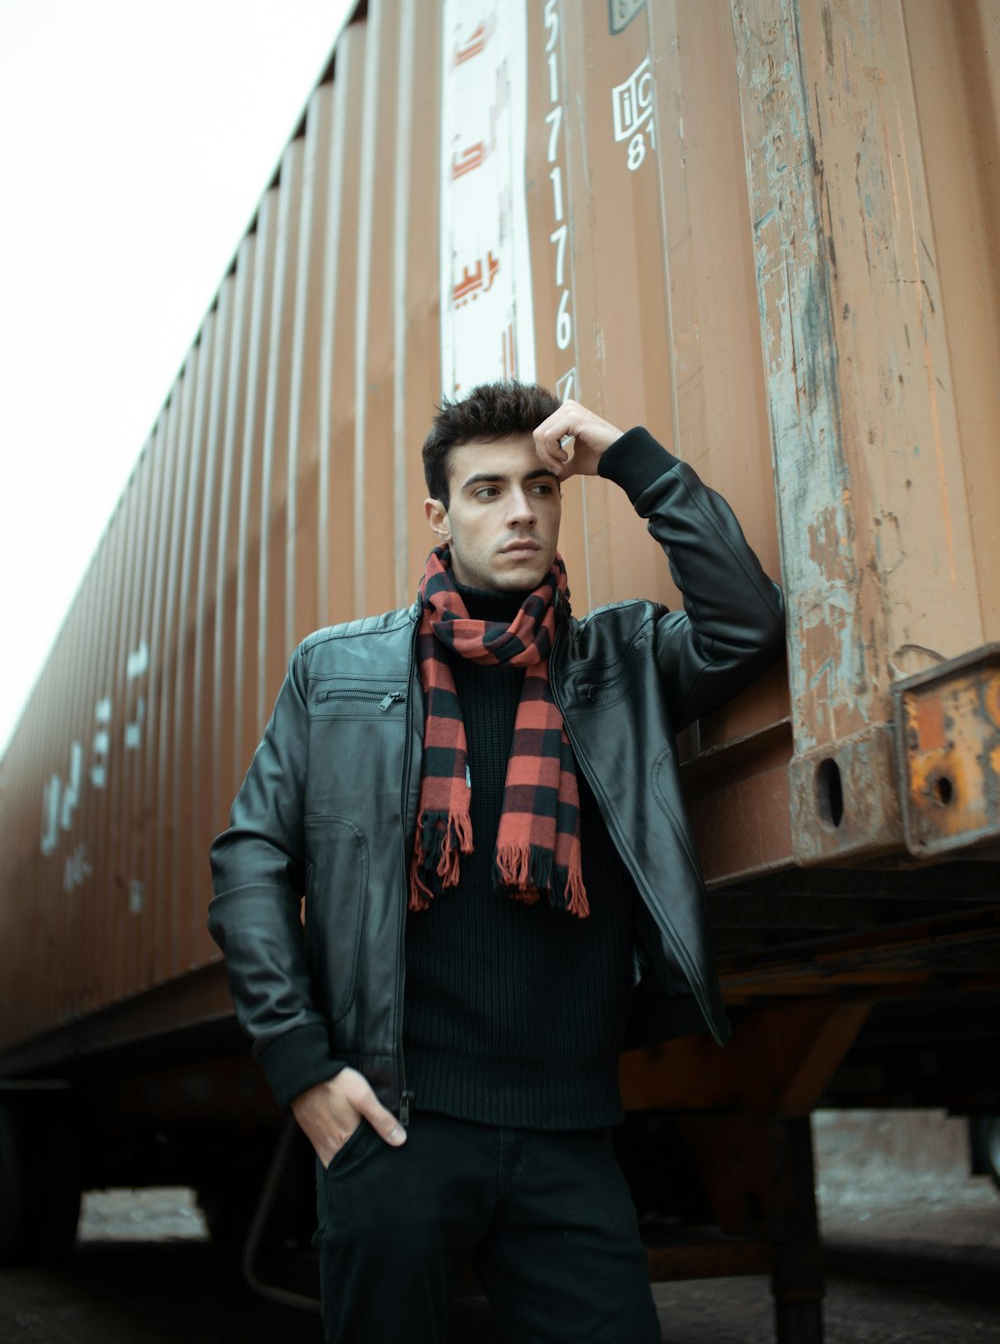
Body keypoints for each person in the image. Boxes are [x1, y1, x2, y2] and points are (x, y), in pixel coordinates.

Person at [208, 382, 784, 1343]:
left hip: (570, 1133)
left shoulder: (619, 661)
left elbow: (746, 625)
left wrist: (627, 458)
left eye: (540, 487)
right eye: (486, 490)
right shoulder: (336, 672)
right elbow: (252, 859)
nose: (520, 511)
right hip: (394, 1125)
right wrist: (302, 1066)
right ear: (440, 513)